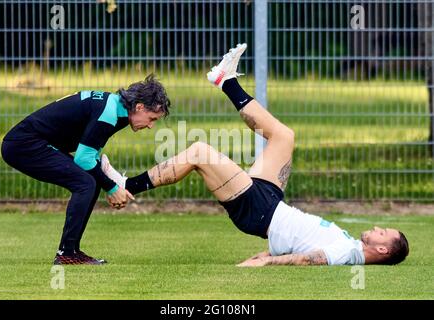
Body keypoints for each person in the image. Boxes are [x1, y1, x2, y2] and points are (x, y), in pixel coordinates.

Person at [101, 44, 409, 266]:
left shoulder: (349, 254)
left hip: (260, 212)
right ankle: (226, 80)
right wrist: (270, 253)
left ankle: (128, 185)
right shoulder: (352, 244)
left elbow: (309, 259)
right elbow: (304, 243)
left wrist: (267, 263)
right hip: (271, 202)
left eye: (383, 233)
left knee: (199, 152)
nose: (377, 228)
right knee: (284, 136)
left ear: (382, 250)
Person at [1, 74, 170, 265]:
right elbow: (83, 158)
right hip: (23, 145)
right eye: (152, 118)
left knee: (91, 181)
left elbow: (91, 152)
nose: (150, 125)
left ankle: (71, 251)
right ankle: (66, 253)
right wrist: (113, 189)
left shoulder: (114, 107)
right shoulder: (109, 113)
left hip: (32, 143)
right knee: (85, 183)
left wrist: (108, 183)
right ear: (139, 107)